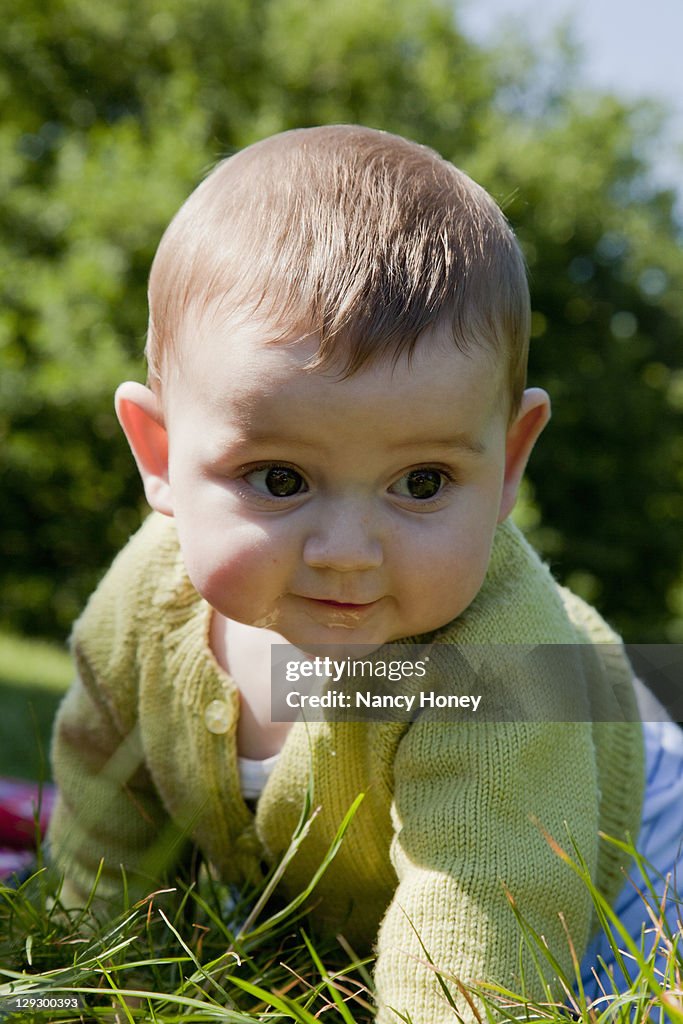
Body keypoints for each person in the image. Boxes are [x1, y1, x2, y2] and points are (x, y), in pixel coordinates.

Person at [48, 125, 683, 1023]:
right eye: (279, 480)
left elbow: (478, 945)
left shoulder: (489, 671)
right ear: (159, 452)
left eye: (420, 483)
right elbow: (104, 814)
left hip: (628, 846)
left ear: (506, 466)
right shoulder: (140, 615)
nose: (347, 548)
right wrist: (86, 981)